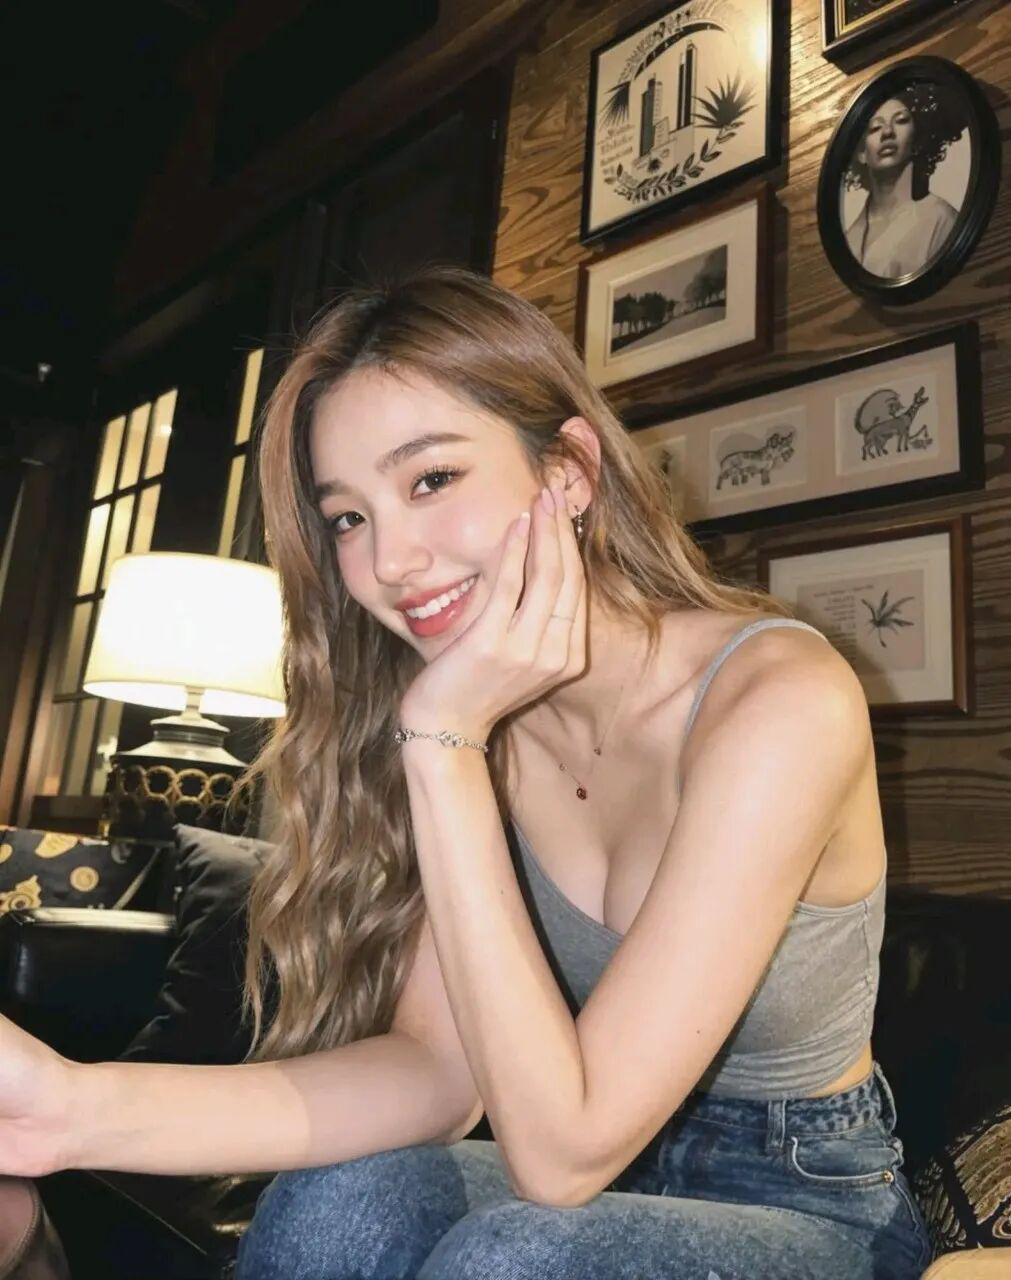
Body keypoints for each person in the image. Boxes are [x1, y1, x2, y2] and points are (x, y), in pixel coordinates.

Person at [0, 266, 931, 1279]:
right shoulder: (475, 711)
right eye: (348, 517)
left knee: (517, 1258)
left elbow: (564, 1156)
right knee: (337, 1200)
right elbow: (439, 1074)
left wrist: (442, 743)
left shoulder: (778, 700)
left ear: (568, 472)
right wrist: (68, 1107)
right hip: (598, 1189)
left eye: (431, 480)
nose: (390, 560)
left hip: (808, 1201)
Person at [843, 87, 962, 279]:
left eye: (901, 120)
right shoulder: (848, 239)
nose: (887, 132)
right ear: (861, 153)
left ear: (917, 140)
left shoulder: (941, 219)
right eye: (874, 128)